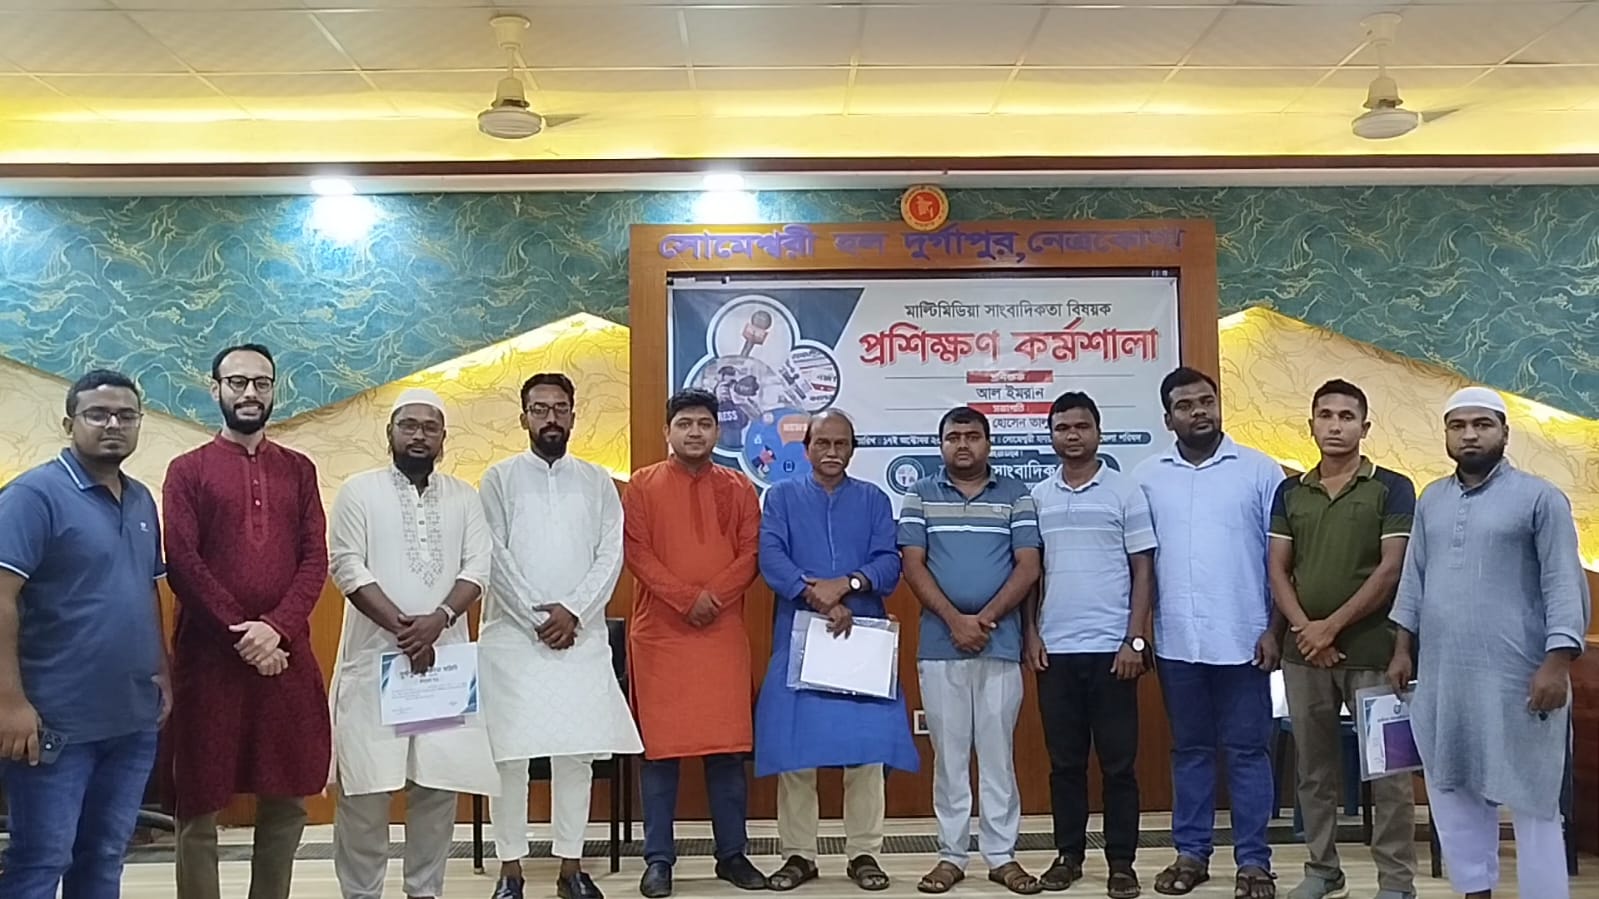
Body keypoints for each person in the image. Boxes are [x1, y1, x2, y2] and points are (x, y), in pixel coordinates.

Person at [1387, 386, 1590, 899]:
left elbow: (1563, 583)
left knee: (1534, 798)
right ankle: (1474, 891)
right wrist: (1403, 648)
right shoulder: (1432, 499)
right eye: (1458, 426)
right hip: (1445, 677)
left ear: (1504, 432)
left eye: (1482, 424)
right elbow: (1414, 577)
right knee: (1452, 789)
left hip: (1520, 679)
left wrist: (1557, 663)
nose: (1470, 435)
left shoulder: (1540, 498)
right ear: (1446, 434)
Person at [164, 343, 333, 899]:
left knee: (286, 795)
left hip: (285, 658)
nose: (250, 393)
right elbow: (183, 563)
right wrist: (244, 633)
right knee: (199, 801)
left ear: (274, 390)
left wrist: (276, 629)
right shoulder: (187, 470)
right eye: (237, 382)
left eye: (261, 383)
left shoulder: (299, 470)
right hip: (210, 660)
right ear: (215, 388)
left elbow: (314, 560)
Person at [0, 370, 170, 899]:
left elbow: (146, 590)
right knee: (41, 859)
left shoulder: (141, 500)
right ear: (69, 423)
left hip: (131, 722)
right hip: (53, 722)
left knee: (103, 857)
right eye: (98, 414)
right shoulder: (32, 496)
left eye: (125, 415)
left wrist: (163, 671)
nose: (113, 424)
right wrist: (9, 702)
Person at [327, 388, 501, 899]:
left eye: (430, 427)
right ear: (390, 433)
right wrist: (407, 629)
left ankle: (425, 891)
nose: (419, 435)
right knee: (366, 790)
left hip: (440, 666)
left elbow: (479, 567)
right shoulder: (358, 491)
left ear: (444, 437)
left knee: (437, 787)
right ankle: (362, 893)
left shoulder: (464, 497)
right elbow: (346, 565)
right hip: (374, 659)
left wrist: (438, 621)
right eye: (409, 425)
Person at [478, 373, 645, 899]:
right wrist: (538, 617)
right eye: (539, 409)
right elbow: (493, 556)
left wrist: (572, 611)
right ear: (523, 417)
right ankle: (510, 871)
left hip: (581, 637)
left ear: (573, 415)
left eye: (559, 408)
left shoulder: (597, 481)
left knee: (577, 756)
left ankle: (571, 868)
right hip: (512, 639)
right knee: (508, 759)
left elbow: (611, 555)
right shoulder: (498, 479)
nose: (550, 418)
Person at [1132, 367, 1285, 899]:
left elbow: (1281, 561)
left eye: (1206, 401)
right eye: (1185, 405)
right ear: (1167, 418)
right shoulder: (1148, 477)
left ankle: (1254, 862)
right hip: (1177, 640)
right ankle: (1191, 854)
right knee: (1190, 751)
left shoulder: (1260, 471)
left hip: (1246, 639)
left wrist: (1274, 629)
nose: (1199, 411)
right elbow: (1140, 564)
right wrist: (1141, 634)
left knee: (1248, 752)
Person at [755, 409, 919, 894]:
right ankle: (798, 855)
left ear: (852, 449)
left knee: (867, 751)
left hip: (860, 636)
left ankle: (864, 852)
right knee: (795, 750)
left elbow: (888, 564)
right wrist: (818, 596)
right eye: (822, 443)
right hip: (799, 635)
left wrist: (847, 585)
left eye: (840, 444)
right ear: (806, 448)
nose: (831, 452)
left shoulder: (873, 500)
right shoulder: (781, 498)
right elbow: (772, 558)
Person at [1267, 380, 1418, 899]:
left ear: (1364, 427)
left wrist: (1328, 628)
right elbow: (1278, 569)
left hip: (1378, 653)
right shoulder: (1290, 491)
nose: (1335, 425)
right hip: (1304, 658)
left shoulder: (1393, 487)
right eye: (1326, 415)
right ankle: (1323, 871)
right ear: (1311, 425)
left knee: (1390, 773)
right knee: (1314, 772)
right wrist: (1307, 631)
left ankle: (1396, 882)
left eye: (1347, 416)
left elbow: (1391, 570)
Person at [623, 388, 769, 899]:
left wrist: (714, 597)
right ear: (667, 431)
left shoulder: (739, 486)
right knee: (660, 754)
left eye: (704, 424)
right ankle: (658, 860)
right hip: (660, 635)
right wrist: (688, 599)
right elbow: (637, 553)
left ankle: (732, 855)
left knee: (727, 750)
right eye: (684, 423)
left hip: (721, 634)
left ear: (718, 431)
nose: (694, 432)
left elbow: (752, 553)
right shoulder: (641, 486)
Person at [898, 407, 1042, 896]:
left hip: (999, 644)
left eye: (973, 436)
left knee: (998, 755)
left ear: (988, 443)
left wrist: (984, 621)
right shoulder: (920, 494)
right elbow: (913, 566)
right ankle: (951, 855)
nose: (963, 444)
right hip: (941, 646)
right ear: (941, 445)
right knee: (950, 756)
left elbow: (1028, 567)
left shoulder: (1016, 495)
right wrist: (956, 621)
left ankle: (1002, 856)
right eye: (953, 436)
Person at [1025, 392, 1155, 899]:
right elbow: (1031, 574)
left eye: (1081, 426)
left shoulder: (1125, 491)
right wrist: (1032, 634)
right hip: (1055, 651)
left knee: (1119, 766)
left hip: (1113, 651)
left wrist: (1135, 639)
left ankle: (1122, 863)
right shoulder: (1039, 496)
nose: (1072, 435)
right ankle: (1068, 857)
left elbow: (1143, 570)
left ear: (1098, 432)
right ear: (1051, 436)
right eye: (1062, 428)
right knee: (1065, 765)